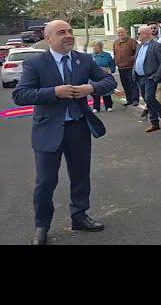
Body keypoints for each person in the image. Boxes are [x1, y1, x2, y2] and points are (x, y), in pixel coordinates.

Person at [13, 20, 116, 245]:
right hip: (48, 130)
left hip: (78, 128)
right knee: (45, 182)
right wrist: (54, 92)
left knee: (80, 176)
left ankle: (79, 216)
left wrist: (91, 88)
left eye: (69, 31)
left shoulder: (84, 60)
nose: (68, 35)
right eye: (61, 32)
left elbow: (108, 81)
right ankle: (42, 225)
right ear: (48, 38)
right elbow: (20, 95)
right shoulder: (36, 64)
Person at [133, 26, 161, 133]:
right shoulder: (139, 46)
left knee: (150, 98)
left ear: (146, 34)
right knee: (147, 100)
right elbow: (137, 60)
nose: (138, 35)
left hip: (150, 77)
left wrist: (156, 77)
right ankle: (154, 123)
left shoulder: (156, 46)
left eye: (139, 33)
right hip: (139, 77)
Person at [112, 27, 139, 107]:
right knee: (125, 84)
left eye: (122, 32)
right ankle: (129, 99)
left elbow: (137, 52)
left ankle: (135, 99)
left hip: (130, 67)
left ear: (126, 32)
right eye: (119, 33)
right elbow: (114, 53)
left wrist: (131, 59)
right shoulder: (116, 43)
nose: (120, 34)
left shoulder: (132, 41)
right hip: (120, 67)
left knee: (132, 83)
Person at [90, 41, 115, 112]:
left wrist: (111, 71)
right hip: (94, 75)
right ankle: (96, 107)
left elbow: (112, 64)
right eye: (93, 46)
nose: (94, 48)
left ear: (101, 47)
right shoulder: (90, 56)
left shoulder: (107, 55)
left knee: (106, 90)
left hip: (105, 74)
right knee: (95, 90)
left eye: (96, 46)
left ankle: (108, 106)